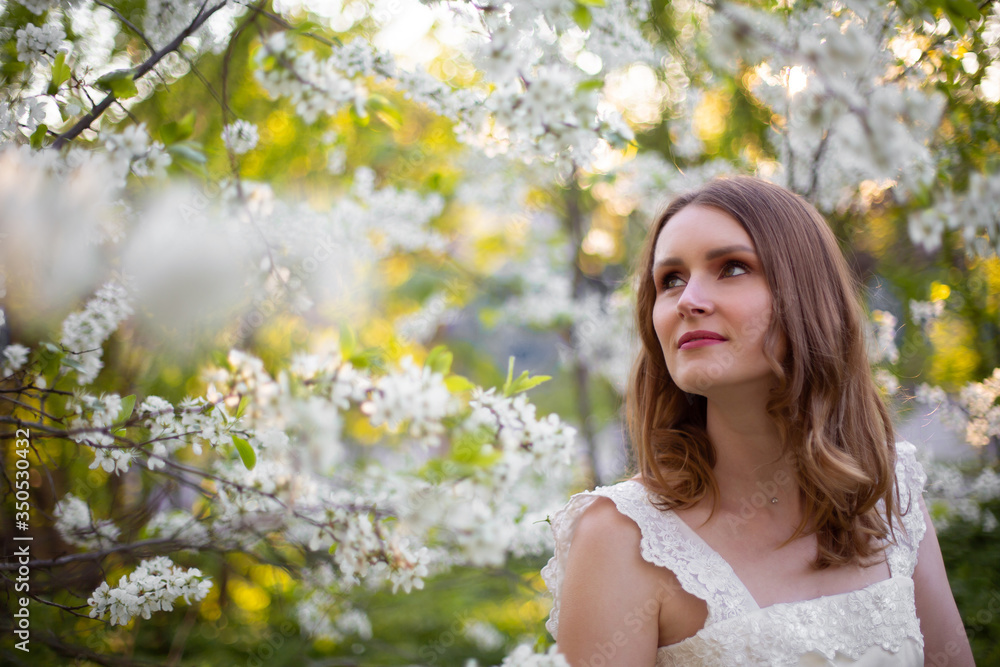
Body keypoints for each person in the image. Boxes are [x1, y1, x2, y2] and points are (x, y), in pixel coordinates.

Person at [541, 177, 975, 666]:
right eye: (671, 280)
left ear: (807, 296)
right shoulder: (624, 537)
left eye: (731, 268)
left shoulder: (886, 491)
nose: (688, 300)